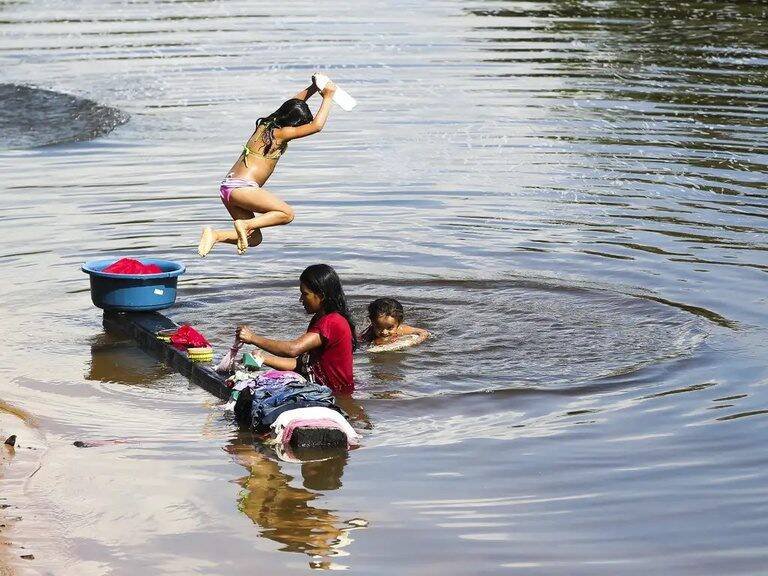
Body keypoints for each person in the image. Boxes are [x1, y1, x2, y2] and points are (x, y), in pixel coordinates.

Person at [198, 76, 337, 257]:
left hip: (227, 188)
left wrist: (312, 88)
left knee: (254, 239)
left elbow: (293, 103)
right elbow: (316, 126)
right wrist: (328, 97)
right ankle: (245, 225)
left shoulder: (264, 125)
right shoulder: (280, 134)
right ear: (293, 125)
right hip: (242, 187)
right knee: (286, 214)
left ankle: (216, 235)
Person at [236, 264, 357, 394]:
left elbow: (293, 349)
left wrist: (252, 338)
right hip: (324, 390)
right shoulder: (319, 319)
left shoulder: (332, 322)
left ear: (321, 296)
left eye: (305, 294)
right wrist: (263, 358)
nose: (301, 300)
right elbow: (301, 364)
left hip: (338, 395)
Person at [359, 297, 430, 347]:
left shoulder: (401, 329)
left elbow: (424, 332)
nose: (384, 332)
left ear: (399, 323)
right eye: (379, 327)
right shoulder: (369, 335)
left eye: (389, 328)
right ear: (372, 322)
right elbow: (359, 343)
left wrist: (415, 342)